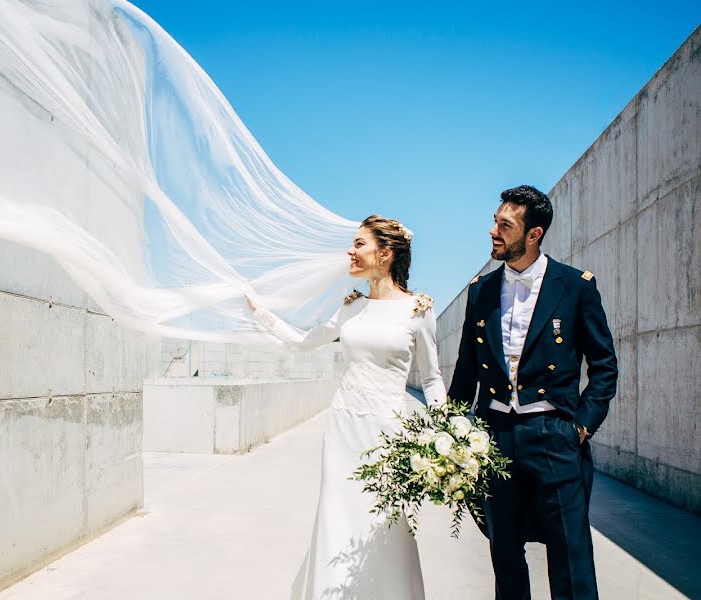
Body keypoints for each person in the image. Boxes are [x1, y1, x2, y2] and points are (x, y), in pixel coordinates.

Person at [246, 215, 445, 599]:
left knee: (384, 523)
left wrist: (441, 437)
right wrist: (263, 315)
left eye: (359, 244)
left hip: (389, 432)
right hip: (343, 427)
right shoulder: (351, 307)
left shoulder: (418, 309)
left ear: (385, 253)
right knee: (337, 515)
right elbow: (306, 341)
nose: (349, 252)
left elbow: (433, 378)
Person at [449, 185, 618, 600]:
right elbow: (467, 368)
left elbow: (604, 365)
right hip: (494, 436)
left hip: (554, 434)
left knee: (570, 554)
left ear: (534, 234)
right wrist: (451, 430)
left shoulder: (575, 286)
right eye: (495, 221)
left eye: (505, 225)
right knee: (504, 551)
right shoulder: (480, 292)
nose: (494, 231)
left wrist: (581, 427)